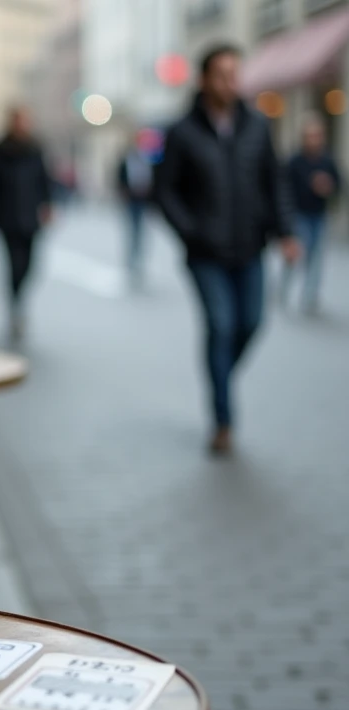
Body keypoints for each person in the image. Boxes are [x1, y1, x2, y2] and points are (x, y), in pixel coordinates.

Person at [155, 44, 299, 456]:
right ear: (204, 80)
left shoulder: (257, 124)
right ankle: (223, 419)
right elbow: (165, 193)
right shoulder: (183, 131)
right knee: (220, 326)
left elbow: (274, 182)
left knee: (250, 323)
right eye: (222, 74)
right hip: (205, 253)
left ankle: (219, 376)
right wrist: (191, 231)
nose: (231, 81)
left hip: (250, 246)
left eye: (236, 73)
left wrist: (285, 233)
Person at [0, 106, 53, 342]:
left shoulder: (35, 148)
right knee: (13, 264)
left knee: (30, 265)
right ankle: (15, 306)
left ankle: (19, 298)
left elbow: (44, 179)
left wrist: (48, 205)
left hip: (30, 215)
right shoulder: (0, 150)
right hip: (7, 216)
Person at [283, 116, 341, 314]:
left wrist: (328, 187)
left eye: (317, 136)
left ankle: (310, 297)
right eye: (310, 136)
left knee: (316, 259)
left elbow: (338, 185)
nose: (314, 140)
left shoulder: (327, 161)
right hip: (299, 215)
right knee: (295, 254)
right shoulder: (295, 161)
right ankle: (284, 290)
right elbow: (285, 188)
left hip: (319, 215)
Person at [116, 137, 154, 290]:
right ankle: (131, 262)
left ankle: (139, 261)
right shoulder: (127, 161)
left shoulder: (146, 161)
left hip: (142, 200)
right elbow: (120, 178)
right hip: (131, 200)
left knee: (141, 232)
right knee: (132, 231)